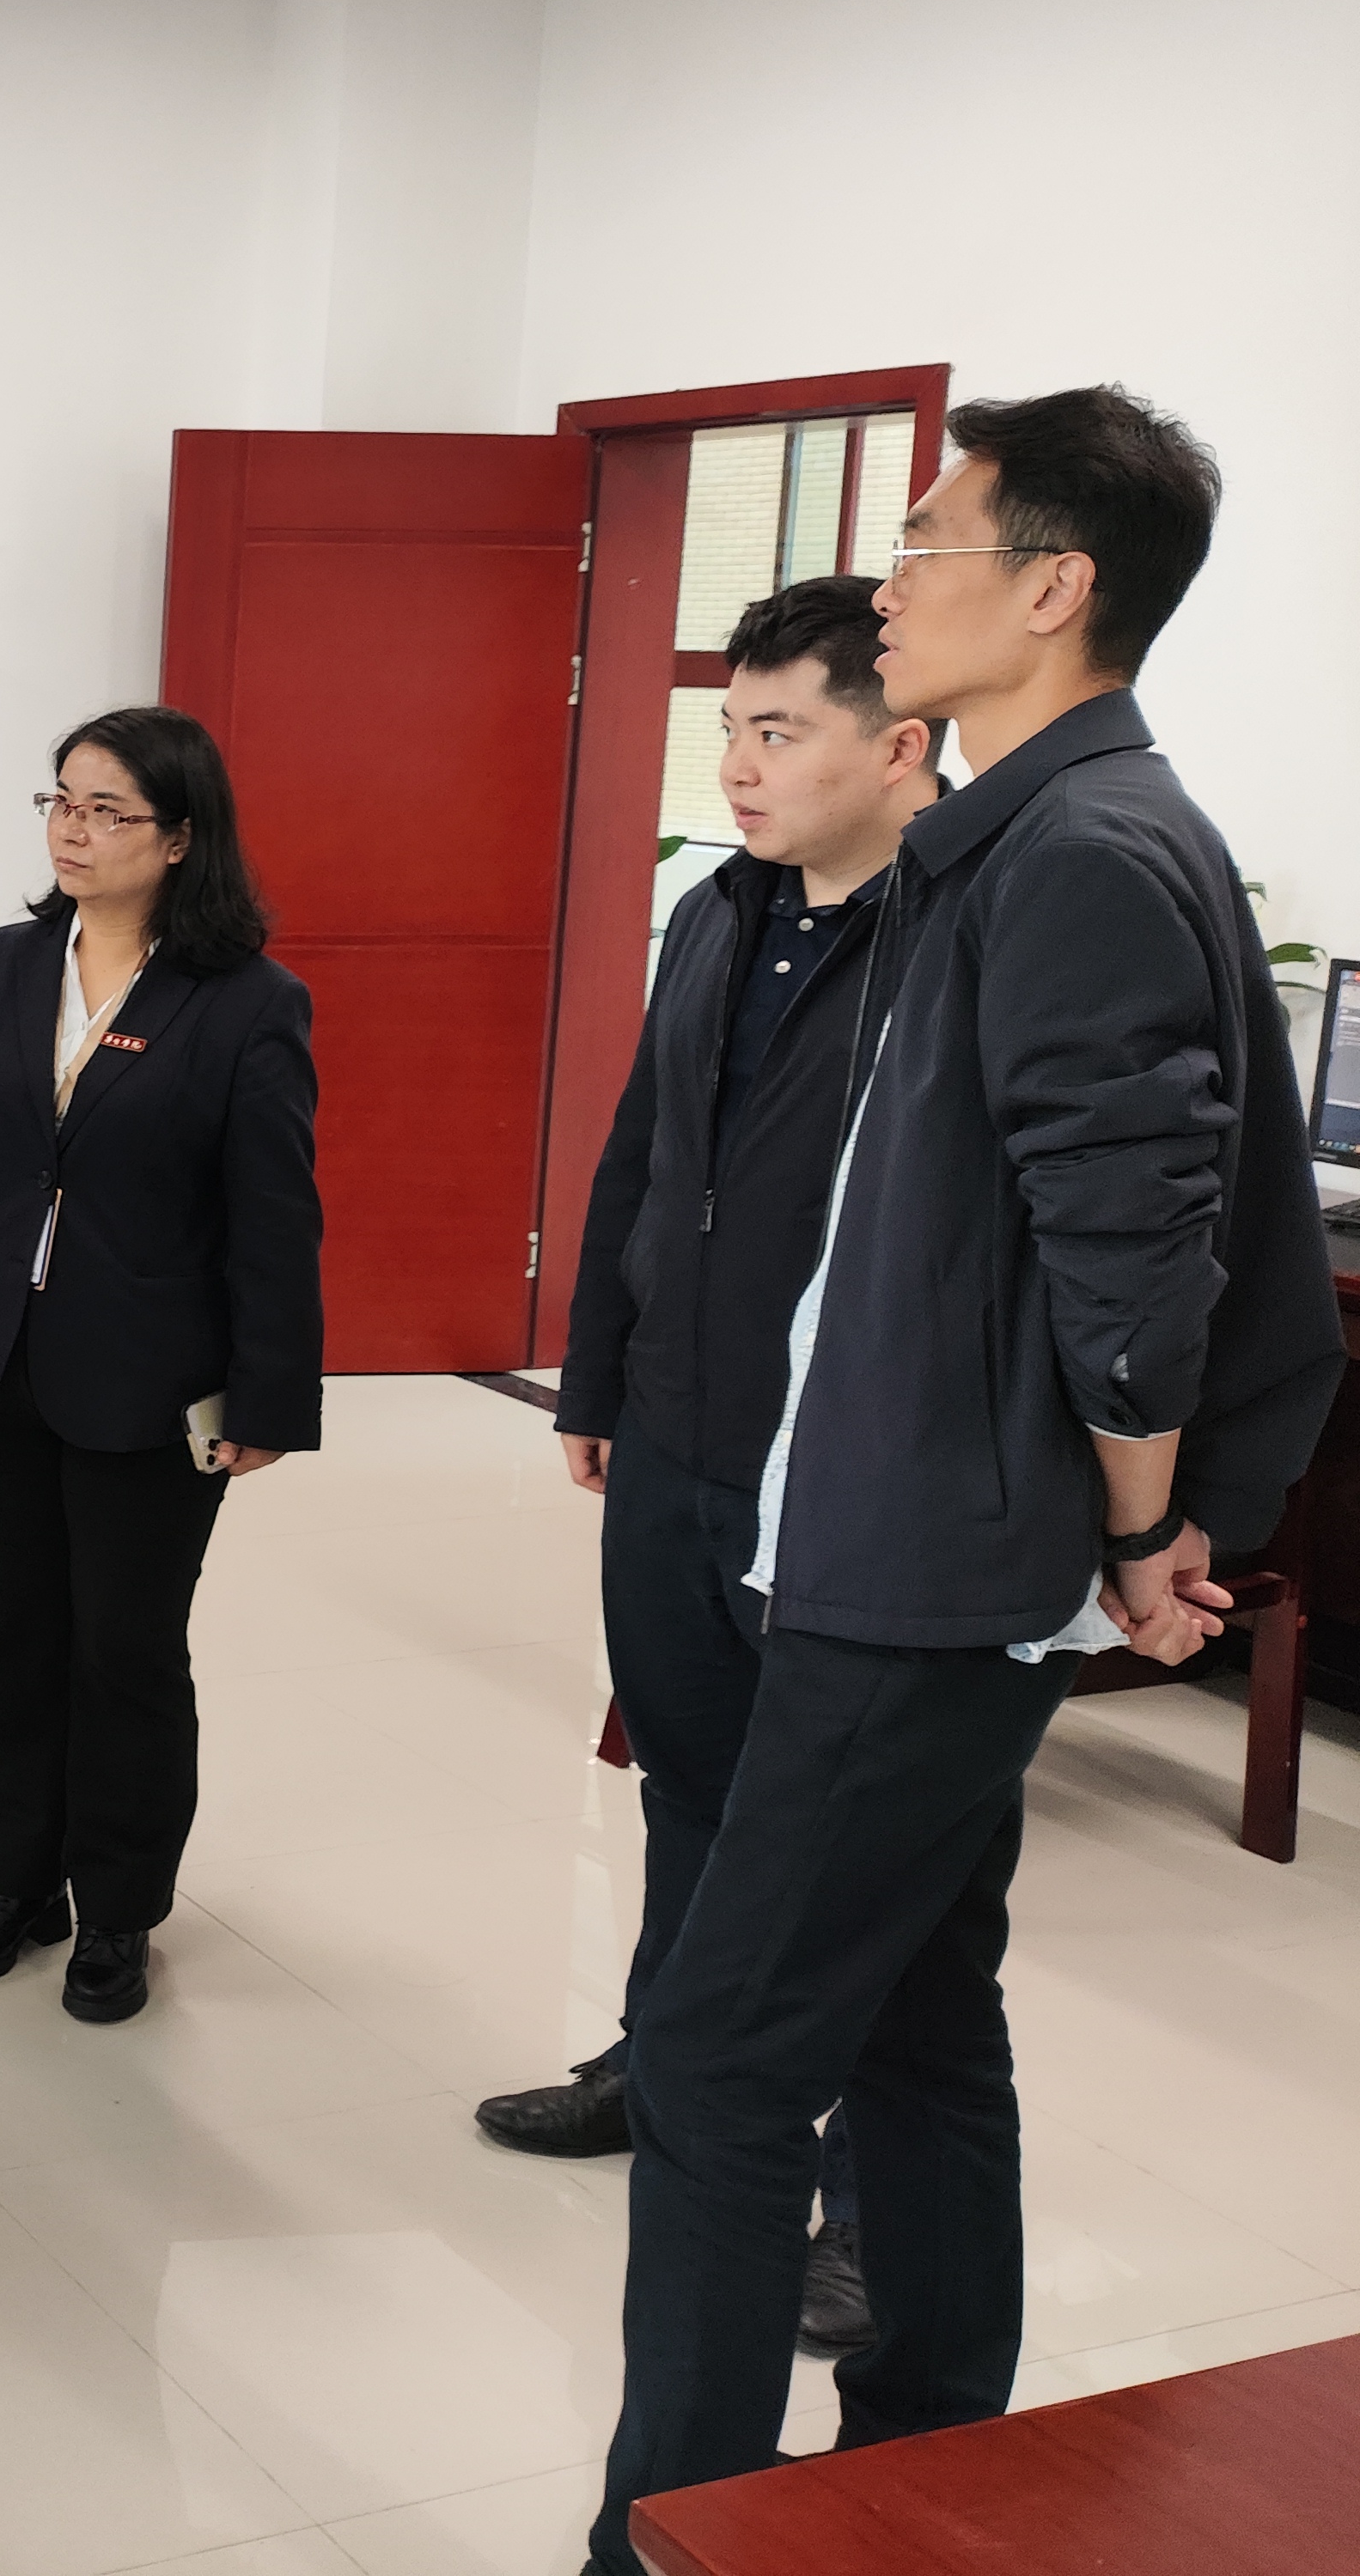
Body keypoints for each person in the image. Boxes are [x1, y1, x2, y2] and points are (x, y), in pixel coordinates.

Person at [585, 388, 1345, 2573]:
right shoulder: (1002, 841)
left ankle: (672, 2536)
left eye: (929, 540)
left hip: (923, 1571)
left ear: (1050, 589)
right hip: (886, 1526)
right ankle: (924, 2470)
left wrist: (1138, 1524)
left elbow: (1133, 1259)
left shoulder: (1079, 851)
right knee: (918, 2008)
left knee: (721, 2060)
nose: (894, 575)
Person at [486, 578, 940, 2366]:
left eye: (778, 730)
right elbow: (641, 1151)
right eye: (729, 729)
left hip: (838, 1465)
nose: (738, 767)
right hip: (675, 1432)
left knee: (836, 1851)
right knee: (686, 1780)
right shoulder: (714, 910)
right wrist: (594, 1373)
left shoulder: (950, 941)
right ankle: (658, 2061)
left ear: (897, 746)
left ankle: (854, 2202)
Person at [0, 705, 321, 2024]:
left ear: (179, 839)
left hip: (154, 1379)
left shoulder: (248, 1004)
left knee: (127, 1653)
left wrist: (270, 1394)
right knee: (13, 1641)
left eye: (107, 810)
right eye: (61, 801)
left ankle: (119, 1909)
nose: (72, 829)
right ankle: (17, 1885)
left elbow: (274, 1216)